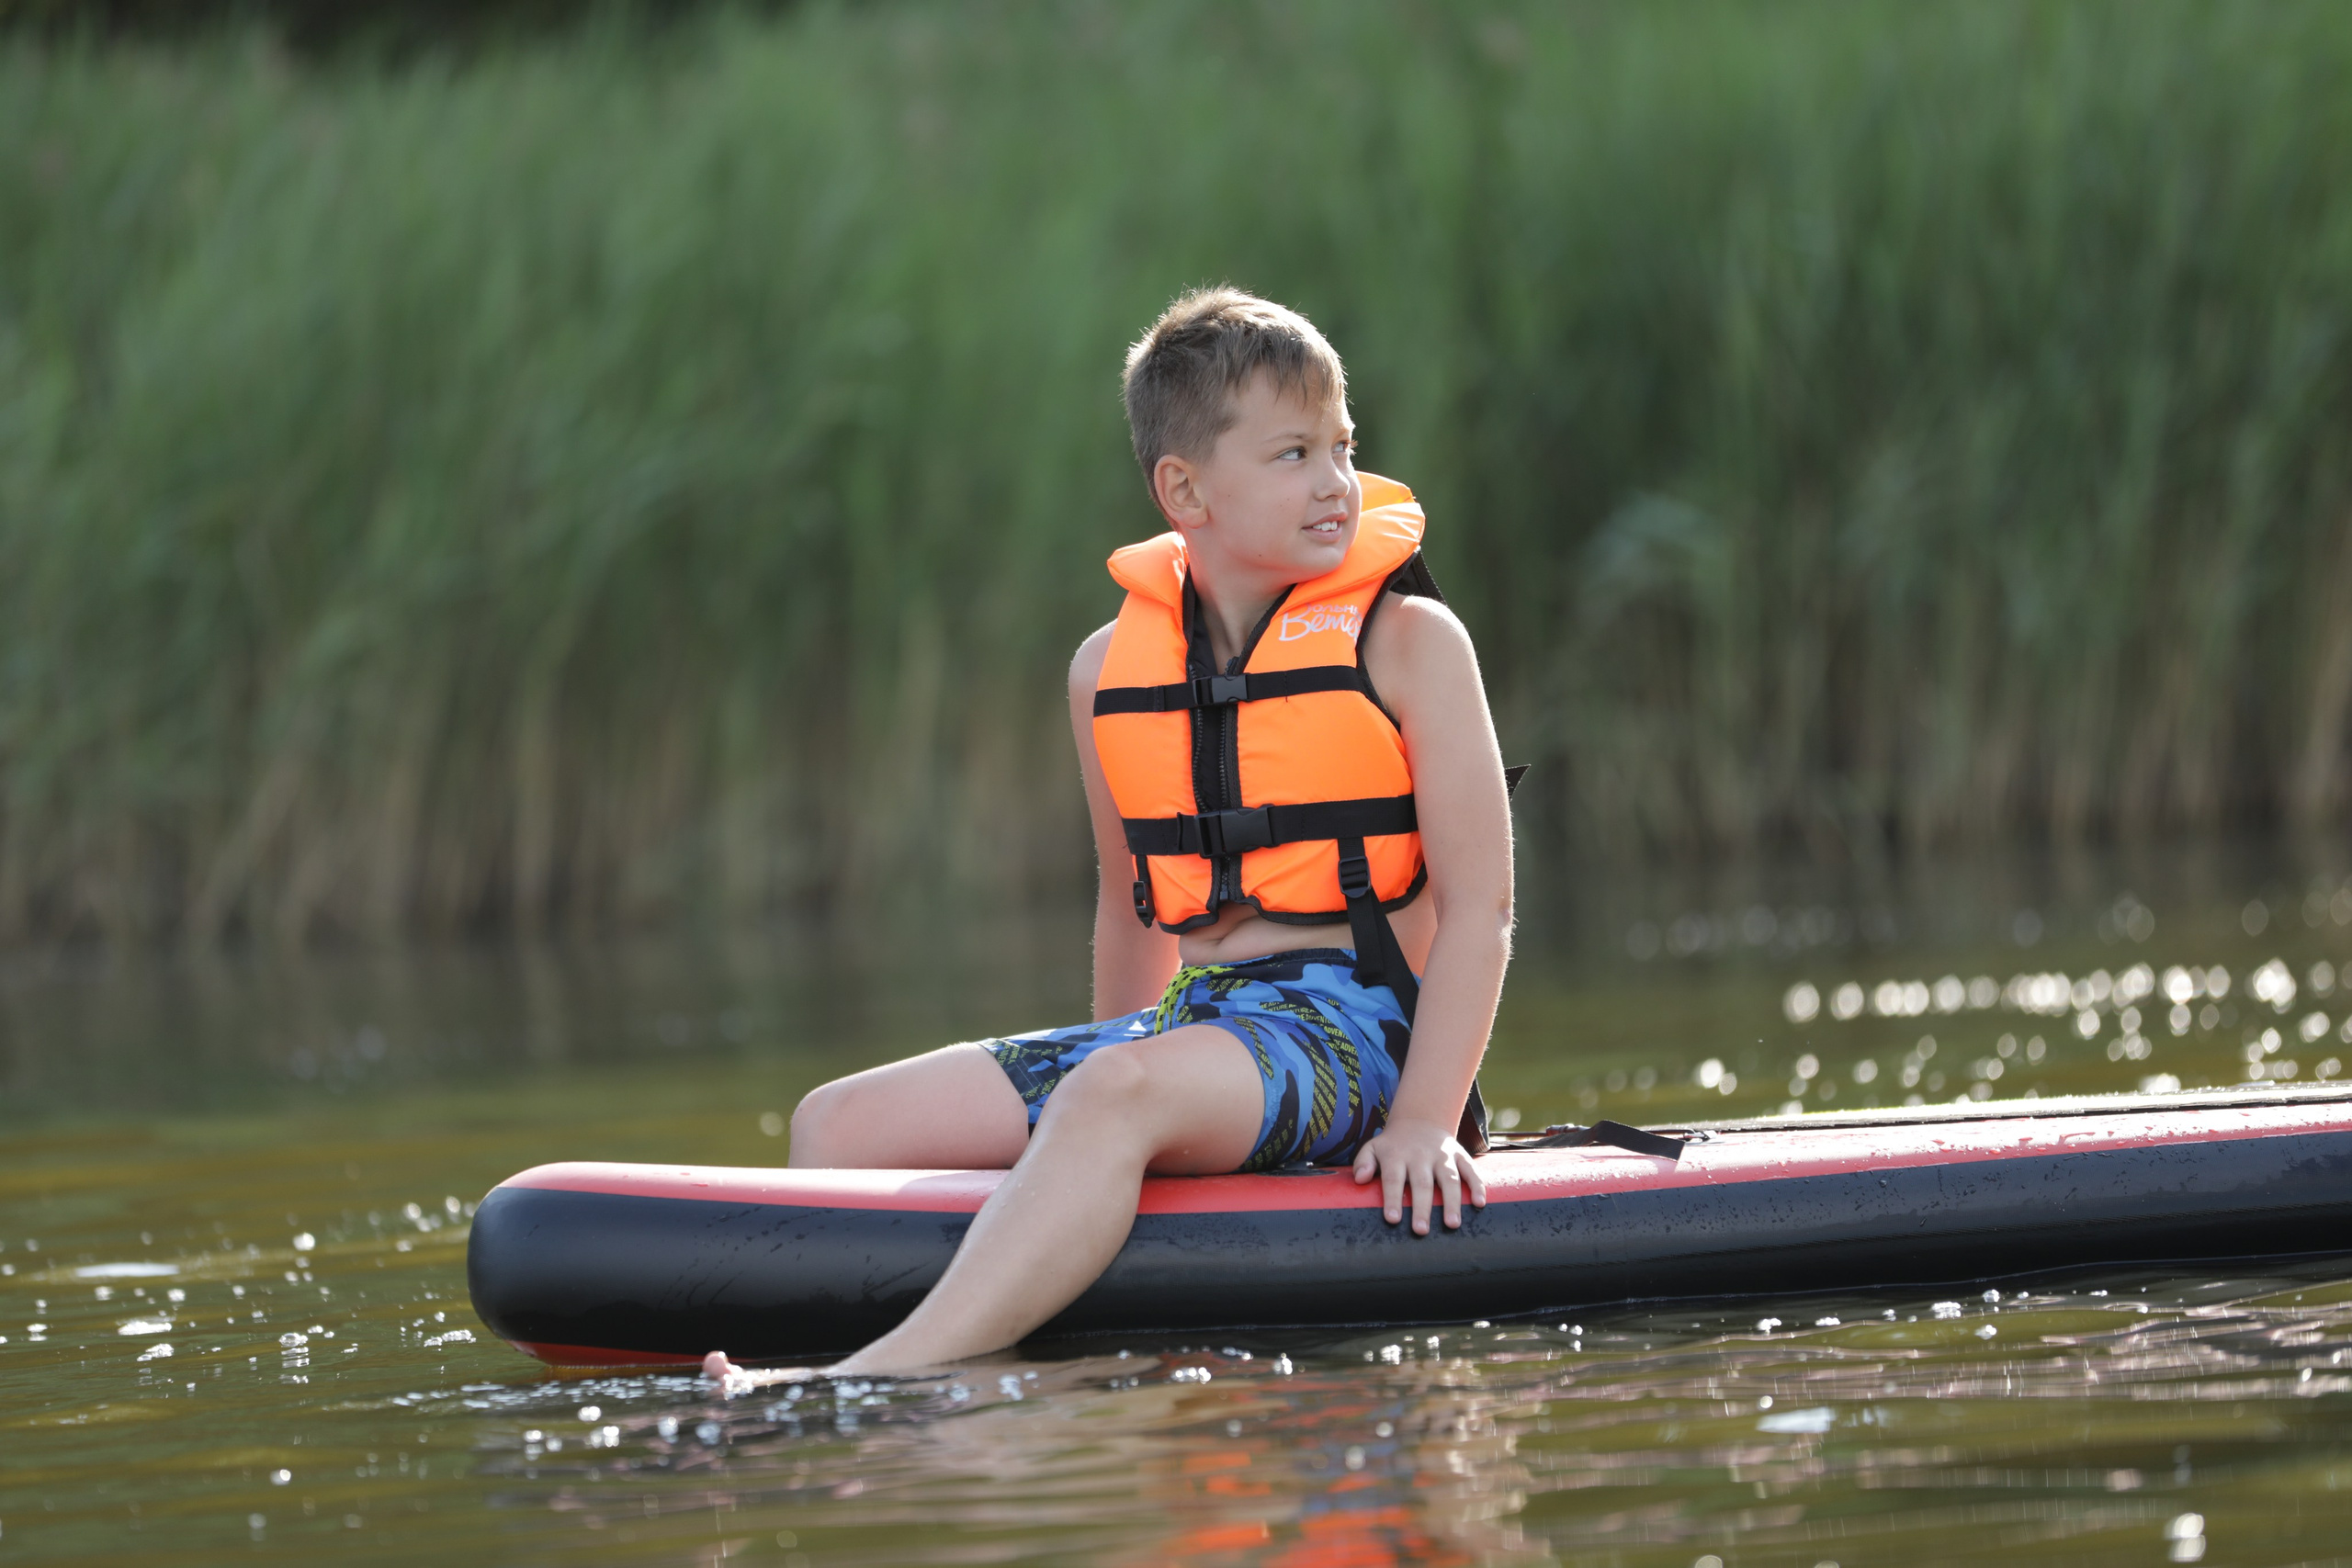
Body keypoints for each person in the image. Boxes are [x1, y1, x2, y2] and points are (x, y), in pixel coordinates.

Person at [704, 287, 1514, 1387]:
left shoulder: (1409, 641)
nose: (1335, 482)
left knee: (1104, 1097)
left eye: (1342, 445)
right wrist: (1131, 1096)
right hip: (1201, 1025)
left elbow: (1482, 909)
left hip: (1356, 1038)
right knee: (835, 1122)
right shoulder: (1106, 673)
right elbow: (1129, 899)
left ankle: (885, 1384)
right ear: (1184, 489)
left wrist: (1424, 1121)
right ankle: (793, 1352)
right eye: (1291, 453)